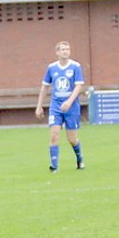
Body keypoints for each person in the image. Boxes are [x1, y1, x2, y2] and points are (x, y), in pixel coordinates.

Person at [36, 40, 86, 172]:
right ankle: (54, 167)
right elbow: (45, 87)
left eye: (67, 49)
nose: (65, 51)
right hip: (56, 107)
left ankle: (79, 158)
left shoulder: (75, 66)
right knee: (54, 135)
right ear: (57, 52)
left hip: (72, 107)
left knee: (72, 139)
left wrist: (69, 102)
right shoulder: (52, 68)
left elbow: (79, 86)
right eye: (63, 49)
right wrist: (39, 106)